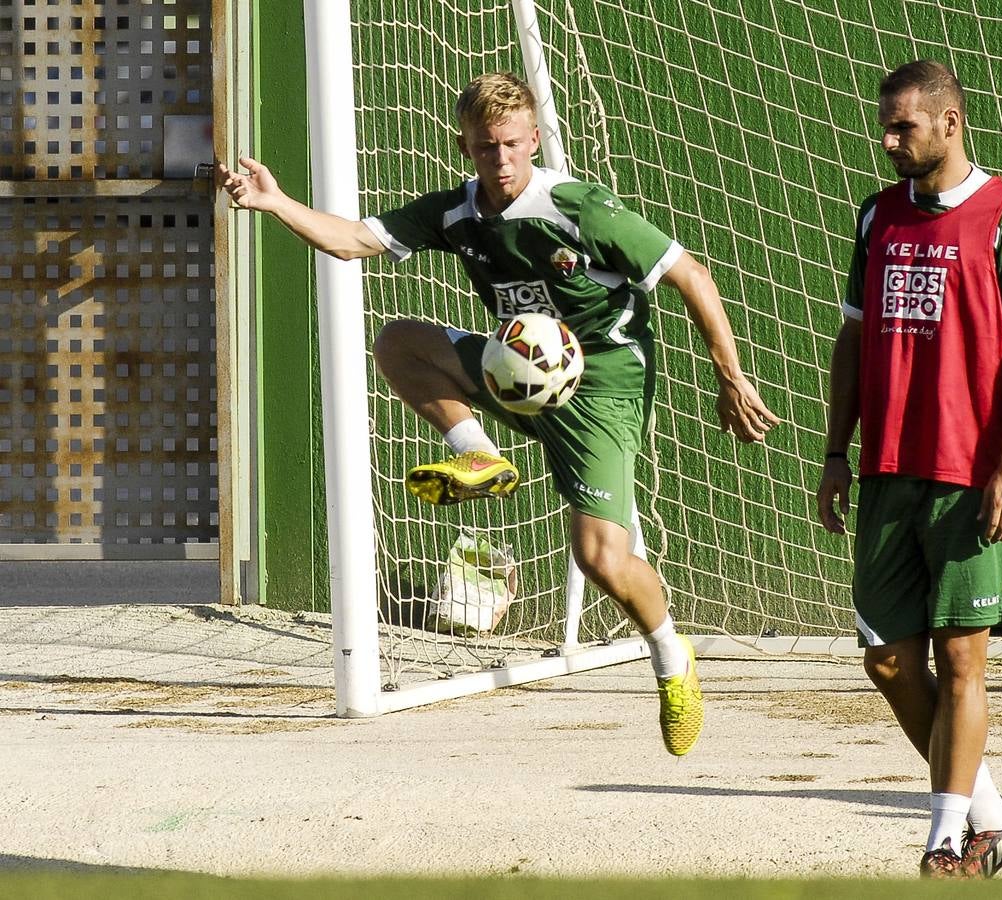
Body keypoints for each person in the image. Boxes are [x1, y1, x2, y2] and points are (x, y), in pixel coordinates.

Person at [219, 72, 779, 757]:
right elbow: (352, 241)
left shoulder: (579, 209)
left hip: (600, 386)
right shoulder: (458, 214)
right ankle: (480, 451)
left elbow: (690, 274)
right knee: (399, 342)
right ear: (467, 148)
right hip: (514, 369)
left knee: (600, 556)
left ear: (534, 139)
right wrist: (276, 203)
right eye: (488, 148)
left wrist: (731, 378)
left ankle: (670, 654)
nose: (503, 160)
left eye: (513, 144)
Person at [816, 60, 1002, 877]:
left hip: (968, 478)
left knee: (961, 664)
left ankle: (946, 841)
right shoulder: (876, 216)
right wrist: (835, 452)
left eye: (903, 127)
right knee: (887, 660)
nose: (888, 142)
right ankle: (993, 817)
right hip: (885, 467)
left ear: (950, 124)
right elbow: (851, 337)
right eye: (884, 126)